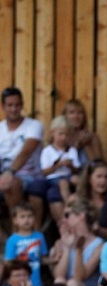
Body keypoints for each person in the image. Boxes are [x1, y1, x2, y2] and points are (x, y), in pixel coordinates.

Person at [50, 198, 102, 286]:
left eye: (67, 215)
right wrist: (67, 248)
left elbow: (80, 277)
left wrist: (78, 249)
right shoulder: (61, 242)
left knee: (73, 284)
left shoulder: (99, 244)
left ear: (81, 216)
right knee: (59, 282)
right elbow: (58, 275)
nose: (63, 220)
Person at [0, 86, 46, 222]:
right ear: (3, 106)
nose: (14, 109)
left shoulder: (34, 125)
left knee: (11, 184)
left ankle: (19, 232)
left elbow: (26, 152)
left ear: (22, 105)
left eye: (17, 105)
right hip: (4, 173)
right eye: (10, 105)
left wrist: (9, 172)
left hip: (29, 175)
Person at [39, 115, 81, 223]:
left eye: (66, 135)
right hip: (54, 178)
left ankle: (83, 201)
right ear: (53, 133)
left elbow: (77, 170)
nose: (63, 137)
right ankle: (69, 207)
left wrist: (70, 166)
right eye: (60, 134)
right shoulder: (47, 151)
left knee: (77, 179)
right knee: (63, 183)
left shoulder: (72, 150)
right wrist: (58, 165)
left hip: (69, 175)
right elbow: (44, 171)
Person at [4, 202, 48, 286]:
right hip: (19, 281)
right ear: (15, 221)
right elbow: (9, 262)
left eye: (30, 216)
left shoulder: (39, 236)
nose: (27, 219)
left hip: (36, 281)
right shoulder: (12, 240)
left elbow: (42, 258)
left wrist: (53, 260)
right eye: (22, 217)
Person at [71, 159, 107, 240]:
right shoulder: (75, 199)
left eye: (106, 177)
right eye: (99, 176)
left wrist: (98, 230)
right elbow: (66, 226)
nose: (103, 181)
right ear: (89, 178)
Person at [62, 98, 104, 165]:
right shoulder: (60, 136)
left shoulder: (91, 137)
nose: (76, 116)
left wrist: (86, 145)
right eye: (72, 112)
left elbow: (99, 165)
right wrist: (76, 144)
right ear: (65, 115)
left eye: (80, 113)